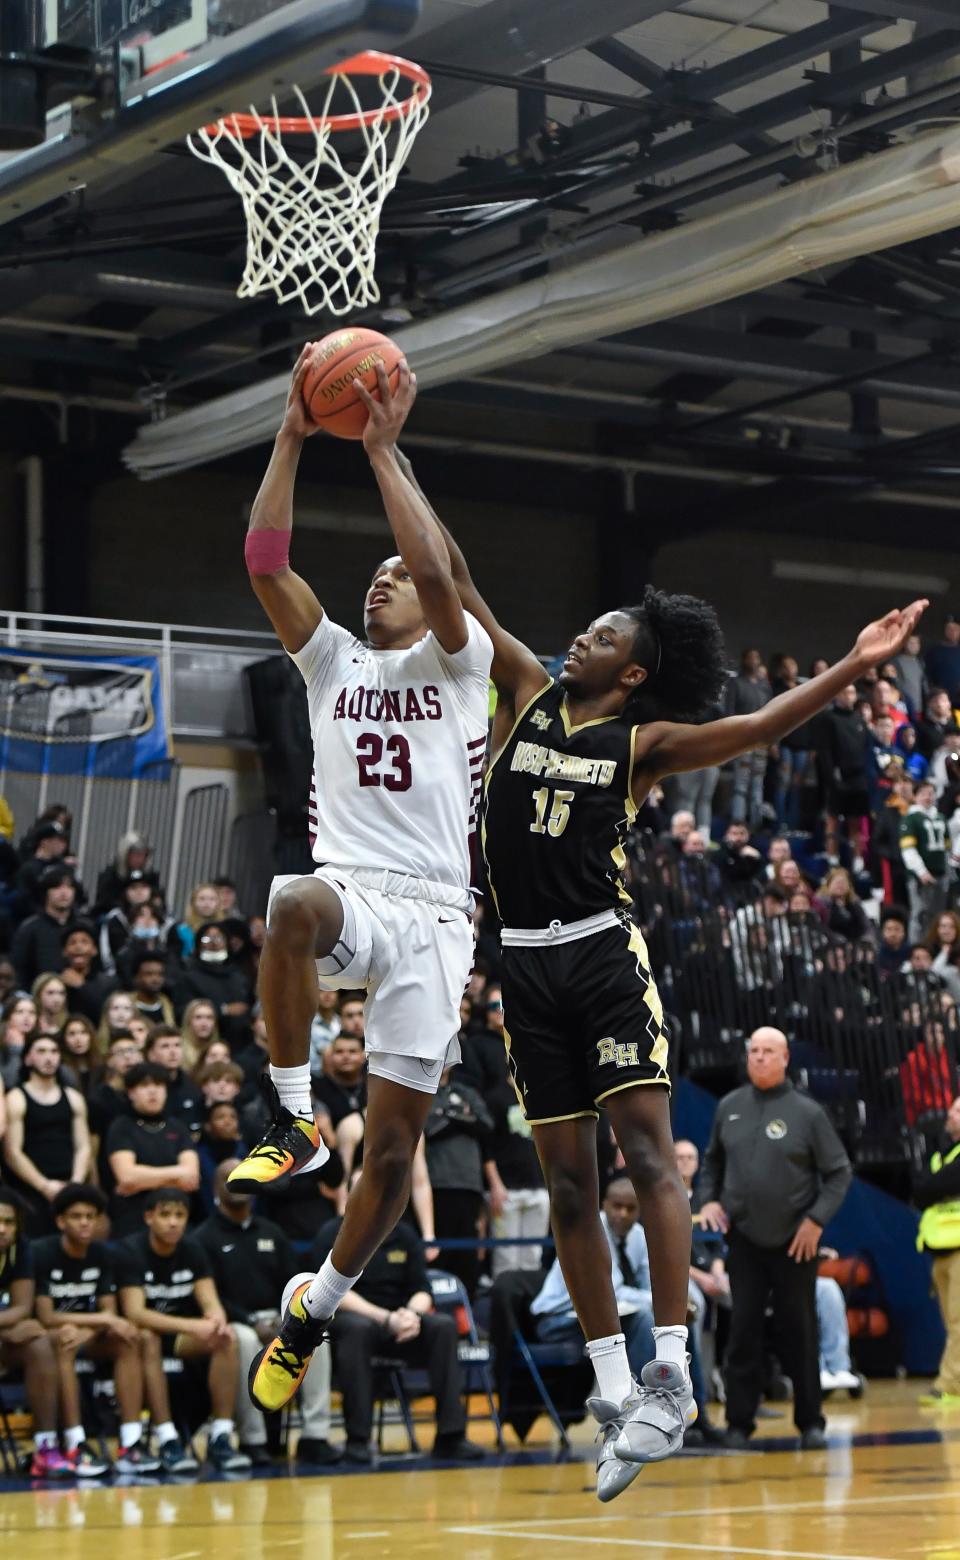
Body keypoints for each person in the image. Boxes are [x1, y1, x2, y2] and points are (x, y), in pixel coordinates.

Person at [420, 440, 923, 1496]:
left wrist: (851, 667)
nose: (580, 635)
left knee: (647, 1158)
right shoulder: (525, 691)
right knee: (566, 1183)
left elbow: (756, 725)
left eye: (603, 635)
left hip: (603, 954)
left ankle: (670, 1371)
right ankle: (616, 1391)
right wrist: (387, 454)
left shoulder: (643, 743)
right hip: (524, 967)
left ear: (634, 670)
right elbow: (452, 577)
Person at [225, 349, 494, 1430]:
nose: (381, 578)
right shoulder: (332, 662)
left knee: (389, 1155)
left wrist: (384, 451)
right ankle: (290, 1121)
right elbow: (261, 558)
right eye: (371, 573)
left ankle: (316, 1307)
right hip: (356, 890)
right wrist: (292, 434)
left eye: (393, 573)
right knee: (290, 904)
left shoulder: (458, 661)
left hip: (436, 916)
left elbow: (440, 578)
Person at [699, 1027, 852, 1450]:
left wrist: (815, 1221)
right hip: (744, 1239)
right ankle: (739, 1423)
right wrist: (708, 1200)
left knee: (798, 1331)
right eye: (754, 1051)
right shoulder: (729, 1107)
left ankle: (811, 1422)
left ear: (786, 1058)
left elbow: (839, 1173)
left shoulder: (807, 1112)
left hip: (794, 1242)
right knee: (743, 1330)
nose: (760, 1057)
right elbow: (711, 1163)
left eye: (769, 1051)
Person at [312, 1190, 482, 1464]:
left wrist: (411, 1315)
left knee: (443, 1326)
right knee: (356, 1330)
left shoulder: (403, 1234)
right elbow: (330, 1291)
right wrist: (385, 1318)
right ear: (349, 1198)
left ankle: (451, 1436)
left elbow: (422, 1288)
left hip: (401, 1322)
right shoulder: (332, 1233)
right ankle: (358, 1440)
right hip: (357, 1319)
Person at [196, 1160, 338, 1466]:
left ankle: (315, 1435)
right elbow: (211, 1296)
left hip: (276, 1319)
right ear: (215, 1189)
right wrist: (251, 1321)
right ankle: (253, 1438)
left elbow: (292, 1279)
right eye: (227, 1179)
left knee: (315, 1338)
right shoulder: (203, 1238)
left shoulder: (273, 1232)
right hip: (235, 1323)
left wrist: (282, 1319)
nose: (236, 1186)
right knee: (245, 1339)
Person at [116, 1188, 251, 1472]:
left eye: (180, 1215)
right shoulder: (130, 1250)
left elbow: (210, 1300)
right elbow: (135, 1312)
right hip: (141, 1336)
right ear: (148, 1217)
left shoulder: (192, 1249)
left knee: (226, 1338)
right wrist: (193, 1325)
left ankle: (221, 1436)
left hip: (179, 1337)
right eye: (165, 1215)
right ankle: (168, 1439)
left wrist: (216, 1320)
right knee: (148, 1337)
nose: (173, 1222)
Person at [33, 1182, 161, 1475]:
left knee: (128, 1339)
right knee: (63, 1339)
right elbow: (46, 1316)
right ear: (60, 1221)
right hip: (51, 1336)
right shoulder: (41, 1252)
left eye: (91, 1216)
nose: (85, 1223)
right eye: (77, 1216)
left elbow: (108, 1310)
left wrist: (95, 1327)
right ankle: (75, 1443)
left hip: (85, 1335)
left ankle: (130, 1442)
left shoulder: (102, 1255)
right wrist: (100, 1322)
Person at [532, 1177, 655, 1381]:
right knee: (642, 1319)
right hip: (557, 1319)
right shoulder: (590, 1232)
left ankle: (694, 1403)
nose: (622, 1214)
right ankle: (642, 1398)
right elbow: (610, 1292)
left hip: (599, 1317)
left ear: (639, 1210)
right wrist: (653, 1301)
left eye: (630, 1208)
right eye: (617, 1206)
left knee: (676, 1321)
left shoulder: (638, 1236)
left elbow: (649, 1283)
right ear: (604, 1205)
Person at [0, 1189, 72, 1479]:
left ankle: (46, 1447)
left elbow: (22, 1307)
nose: (3, 1229)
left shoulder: (21, 1249)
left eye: (9, 1222)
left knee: (39, 1341)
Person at [3, 1033, 91, 1235]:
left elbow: (84, 1146)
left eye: (54, 1051)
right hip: (29, 1189)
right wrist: (45, 1186)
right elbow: (12, 1153)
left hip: (69, 1184)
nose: (49, 1057)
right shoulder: (16, 1098)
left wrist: (75, 1184)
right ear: (27, 1058)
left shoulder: (73, 1097)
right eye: (41, 1051)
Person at [104, 1062, 199, 1236]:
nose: (153, 1091)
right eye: (145, 1085)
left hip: (176, 1215)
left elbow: (191, 1178)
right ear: (131, 1092)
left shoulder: (177, 1127)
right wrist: (177, 1175)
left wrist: (142, 1179)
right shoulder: (121, 1127)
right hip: (133, 1218)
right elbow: (127, 1177)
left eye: (158, 1085)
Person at [915, 1096, 960, 1406]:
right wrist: (936, 1185)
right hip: (938, 1249)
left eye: (959, 1110)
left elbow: (933, 1186)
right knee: (950, 1323)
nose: (951, 1113)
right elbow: (920, 1190)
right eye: (953, 1108)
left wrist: (934, 1186)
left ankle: (949, 1385)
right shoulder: (939, 1155)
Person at [10, 866, 77, 987]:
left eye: (69, 886)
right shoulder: (29, 928)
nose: (64, 892)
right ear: (46, 892)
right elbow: (19, 969)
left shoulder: (83, 927)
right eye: (57, 887)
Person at [901, 778, 950, 942]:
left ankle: (935, 946)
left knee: (938, 915)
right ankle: (917, 948)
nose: (927, 797)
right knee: (920, 913)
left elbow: (947, 847)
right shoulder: (911, 819)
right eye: (923, 793)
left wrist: (948, 868)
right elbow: (908, 849)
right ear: (915, 796)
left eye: (930, 793)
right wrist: (920, 871)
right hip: (920, 875)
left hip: (941, 872)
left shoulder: (940, 818)